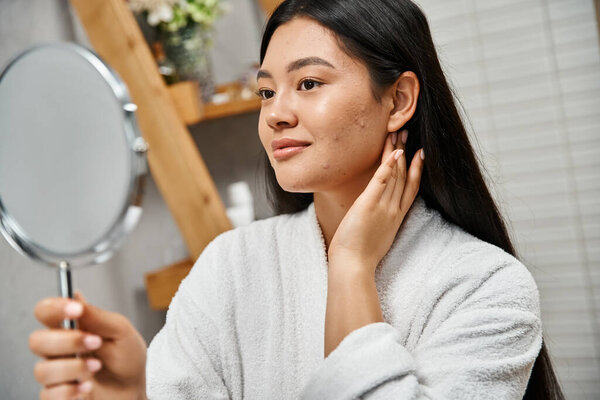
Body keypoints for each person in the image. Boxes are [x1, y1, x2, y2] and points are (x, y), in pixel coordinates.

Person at [28, 0, 565, 399]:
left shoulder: (488, 289)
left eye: (308, 83)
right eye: (266, 90)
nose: (276, 113)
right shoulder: (229, 266)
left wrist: (352, 268)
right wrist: (135, 394)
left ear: (398, 99)